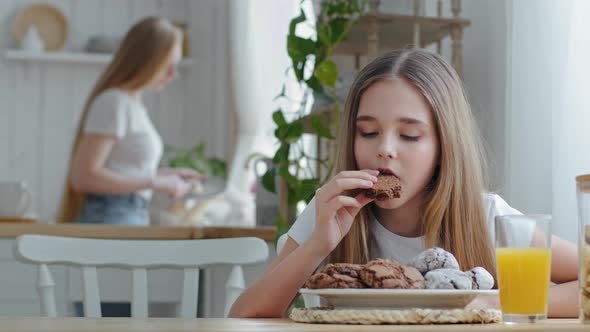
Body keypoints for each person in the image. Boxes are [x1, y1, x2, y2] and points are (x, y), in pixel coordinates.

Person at [229, 49, 579, 318]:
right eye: (368, 132)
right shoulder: (328, 214)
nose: (384, 150)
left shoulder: (487, 217)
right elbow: (245, 315)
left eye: (410, 135)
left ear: (443, 146)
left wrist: (497, 300)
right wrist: (318, 244)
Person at [57, 17, 204, 226]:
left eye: (176, 66)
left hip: (125, 214)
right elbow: (84, 177)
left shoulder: (131, 106)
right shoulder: (115, 102)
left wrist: (168, 176)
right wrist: (156, 182)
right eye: (167, 65)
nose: (173, 75)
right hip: (112, 216)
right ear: (146, 61)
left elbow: (123, 171)